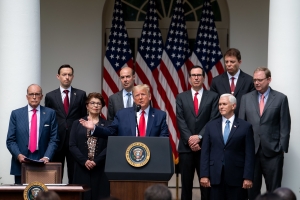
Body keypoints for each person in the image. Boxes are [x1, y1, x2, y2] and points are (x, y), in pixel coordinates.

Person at [239, 67, 291, 200]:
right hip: (251, 152)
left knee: (274, 191)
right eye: (255, 80)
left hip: (273, 152)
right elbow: (241, 125)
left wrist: (281, 148)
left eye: (260, 80)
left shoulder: (280, 98)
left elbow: (285, 125)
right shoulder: (245, 98)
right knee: (252, 190)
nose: (256, 83)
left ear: (269, 80)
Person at [176, 66, 219, 200]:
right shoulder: (181, 97)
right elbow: (180, 120)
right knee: (186, 186)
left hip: (205, 148)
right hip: (186, 148)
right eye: (193, 75)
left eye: (199, 75)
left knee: (206, 185)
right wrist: (190, 139)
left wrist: (199, 137)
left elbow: (214, 120)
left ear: (204, 78)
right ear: (189, 79)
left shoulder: (213, 96)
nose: (196, 78)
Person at [200, 94, 255, 200]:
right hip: (215, 177)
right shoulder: (210, 126)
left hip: (237, 178)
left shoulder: (245, 126)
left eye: (224, 104)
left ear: (233, 106)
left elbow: (249, 154)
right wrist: (204, 175)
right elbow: (205, 152)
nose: (221, 107)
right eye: (219, 104)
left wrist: (248, 177)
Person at [6, 84, 59, 184]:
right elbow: (10, 140)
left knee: (42, 196)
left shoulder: (50, 113)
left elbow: (54, 139)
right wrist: (18, 155)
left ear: (41, 96)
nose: (34, 97)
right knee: (21, 197)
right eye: (31, 94)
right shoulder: (16, 114)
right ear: (27, 97)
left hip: (43, 163)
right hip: (21, 163)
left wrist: (47, 157)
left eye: (37, 94)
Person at [45, 64, 87, 183]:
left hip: (75, 141)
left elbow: (83, 117)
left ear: (73, 77)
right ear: (58, 76)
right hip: (57, 140)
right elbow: (47, 119)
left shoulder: (80, 94)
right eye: (64, 74)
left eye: (69, 75)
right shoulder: (50, 96)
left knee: (74, 173)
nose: (67, 77)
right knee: (55, 174)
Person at [79, 84, 168, 137]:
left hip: (150, 157)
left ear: (149, 97)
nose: (140, 98)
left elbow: (164, 137)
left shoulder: (160, 115)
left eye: (143, 94)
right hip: (127, 157)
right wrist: (94, 128)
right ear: (133, 99)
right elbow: (111, 132)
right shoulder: (122, 114)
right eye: (137, 95)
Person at [69, 93, 110, 200]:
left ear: (102, 106)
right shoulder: (77, 123)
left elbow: (110, 146)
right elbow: (72, 145)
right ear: (87, 106)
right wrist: (84, 161)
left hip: (100, 168)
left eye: (98, 103)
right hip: (81, 168)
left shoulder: (108, 125)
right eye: (92, 103)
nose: (95, 106)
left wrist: (96, 161)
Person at [210, 48, 255, 116]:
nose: (228, 64)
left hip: (243, 120)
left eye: (232, 62)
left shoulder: (249, 80)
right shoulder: (216, 81)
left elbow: (251, 104)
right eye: (226, 62)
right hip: (221, 120)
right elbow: (213, 105)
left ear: (239, 62)